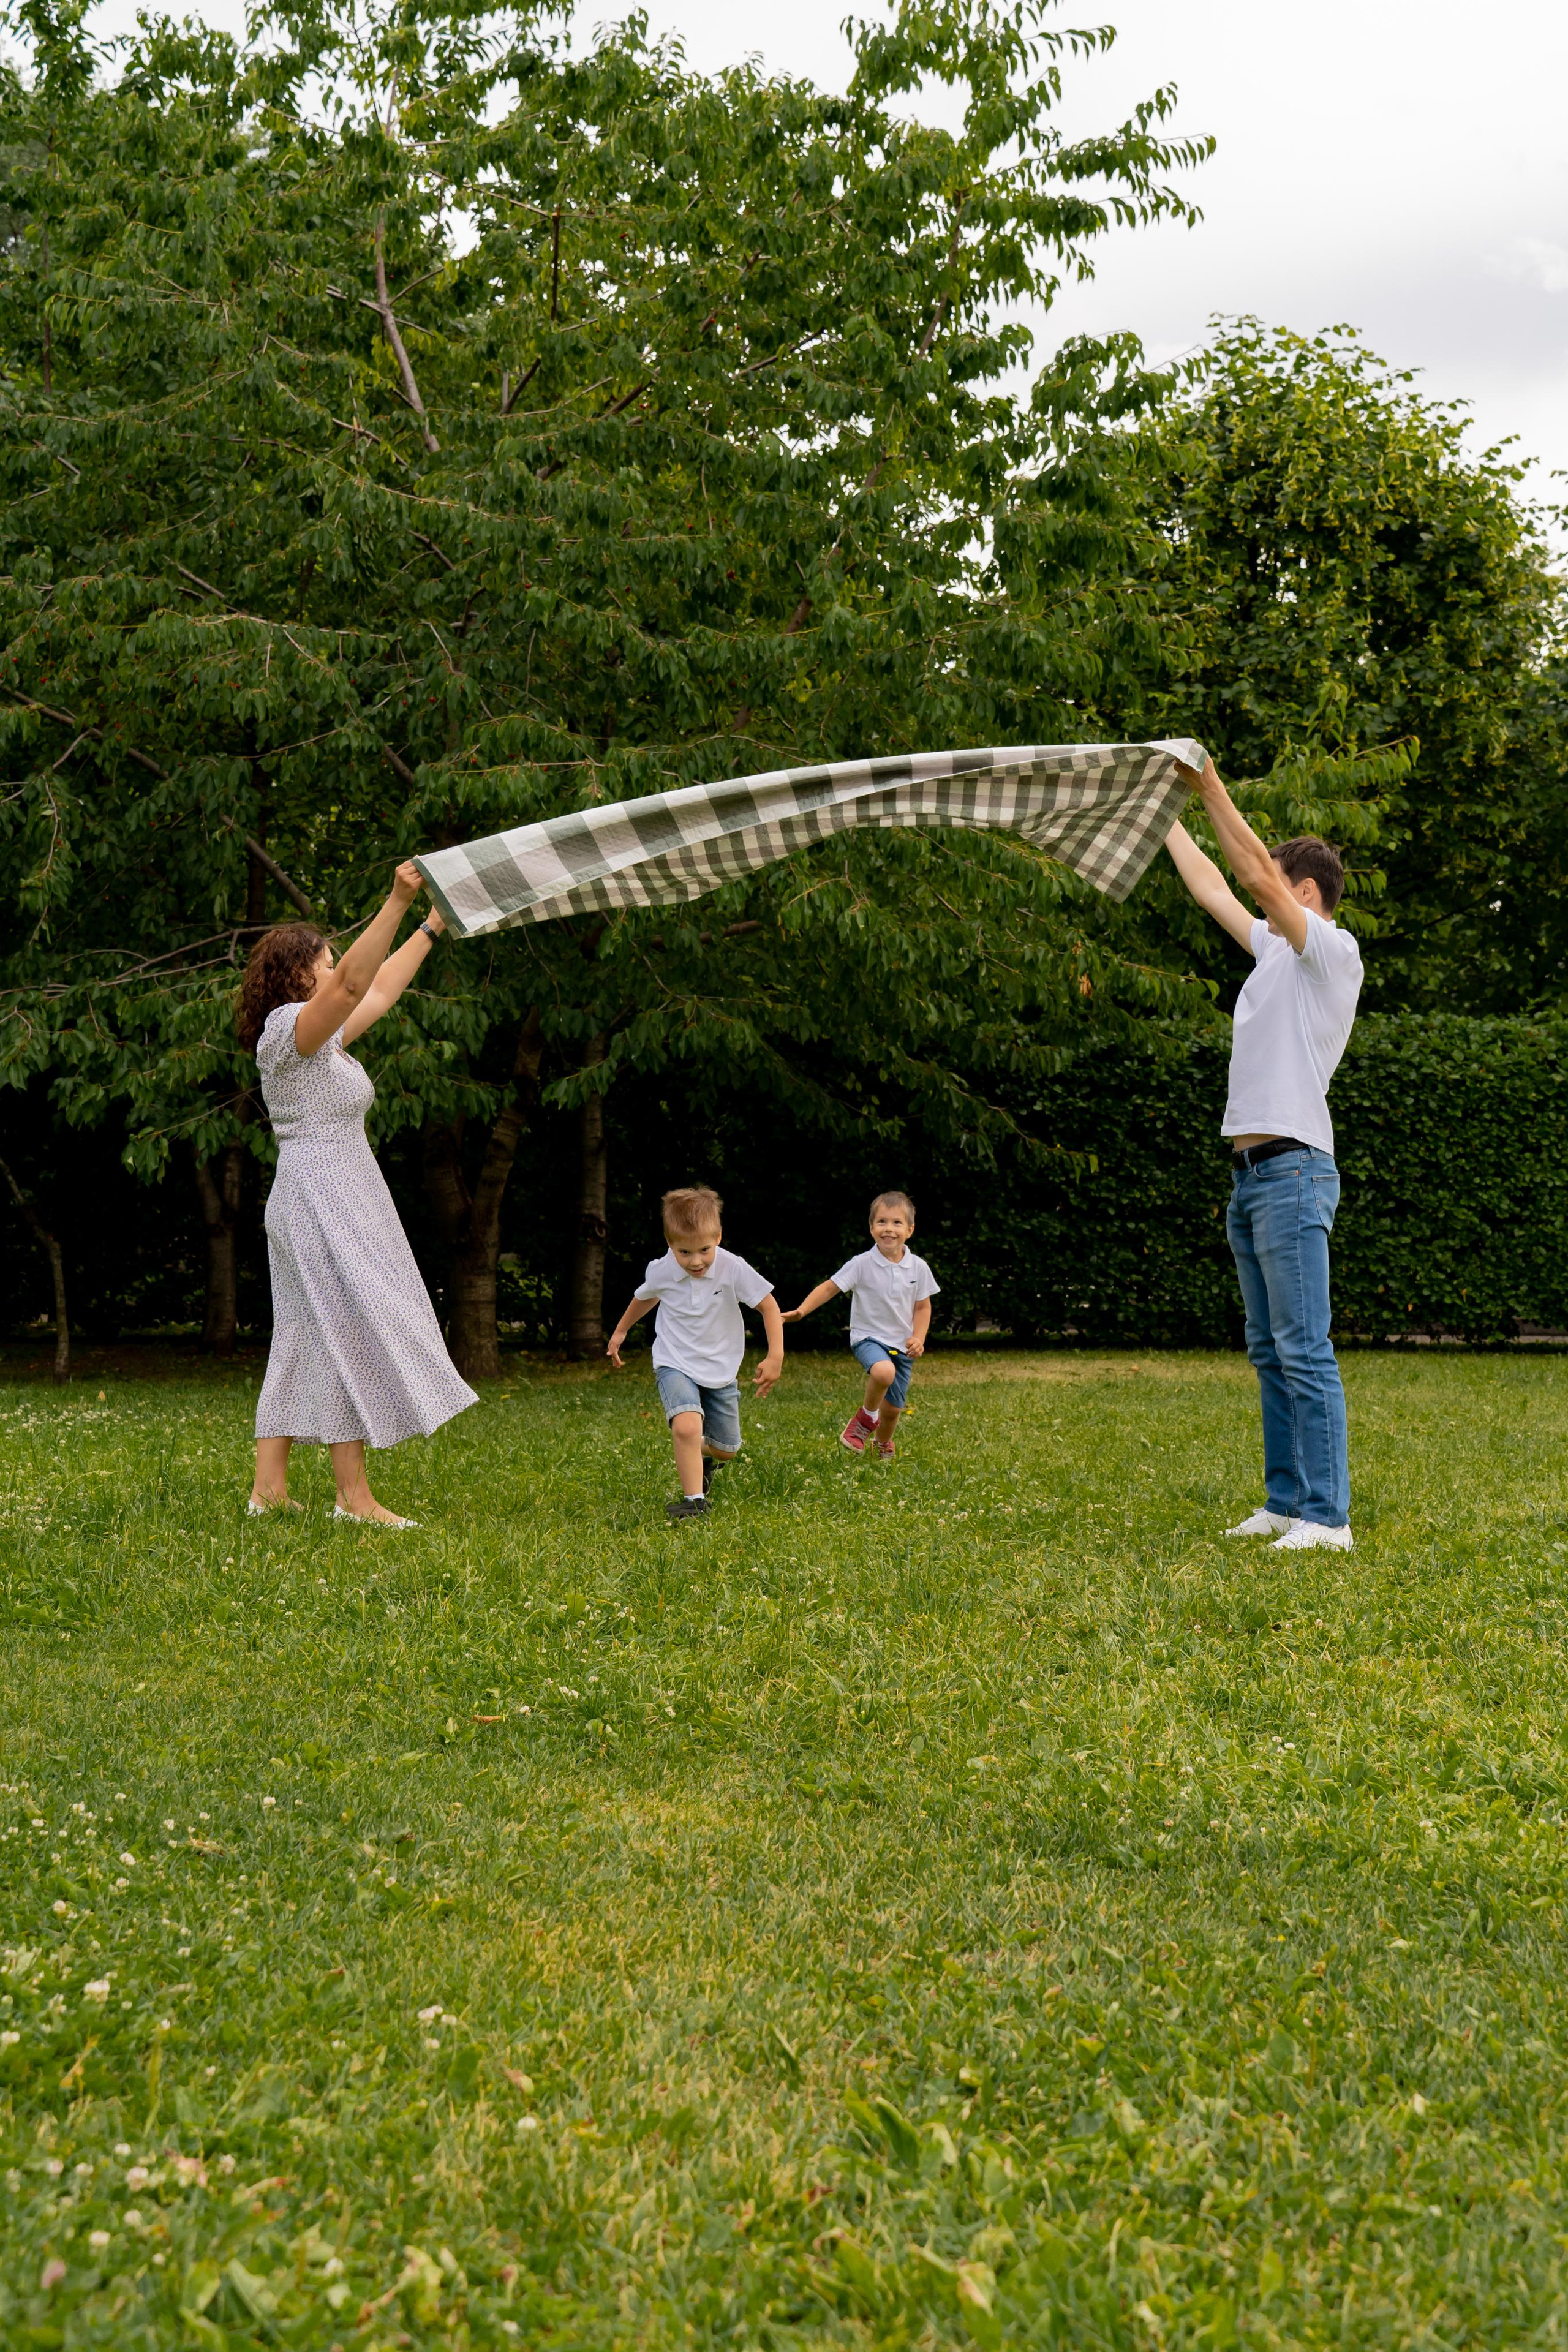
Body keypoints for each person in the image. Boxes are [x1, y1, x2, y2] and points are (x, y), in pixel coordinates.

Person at [237, 862, 477, 1525]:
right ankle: (354, 1497)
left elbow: (378, 992)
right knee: (344, 1329)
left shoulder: (322, 1044)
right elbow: (352, 986)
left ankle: (269, 1491)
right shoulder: (289, 1030)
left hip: (327, 1192)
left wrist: (430, 925)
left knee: (302, 1334)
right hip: (320, 1196)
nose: (339, 965)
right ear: (300, 972)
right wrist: (399, 898)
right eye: (327, 957)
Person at [1165, 757, 1363, 1550]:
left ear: (1303, 893)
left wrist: (1207, 782)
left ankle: (1328, 1518)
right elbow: (1216, 885)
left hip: (1294, 1170)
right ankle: (1287, 1503)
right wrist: (1163, 815)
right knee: (1270, 1350)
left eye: (1276, 884)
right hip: (1251, 1179)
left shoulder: (1331, 954)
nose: (1260, 891)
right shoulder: (1274, 955)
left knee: (1303, 1348)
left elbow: (1247, 871)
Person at [605, 1185, 784, 1521]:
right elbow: (647, 1296)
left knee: (726, 1450)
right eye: (684, 1252)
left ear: (718, 1236)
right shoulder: (662, 1269)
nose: (696, 1261)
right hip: (675, 1361)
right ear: (670, 1244)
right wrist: (621, 1330)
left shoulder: (734, 1268)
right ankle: (695, 1502)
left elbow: (769, 1307)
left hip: (721, 1366)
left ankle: (700, 1455)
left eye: (704, 1249)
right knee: (686, 1427)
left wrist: (775, 1356)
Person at [782, 1191, 940, 1460]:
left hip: (903, 1344)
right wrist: (802, 1310)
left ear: (910, 1230)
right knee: (883, 1373)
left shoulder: (918, 1267)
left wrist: (919, 1337)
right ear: (871, 1228)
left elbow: (923, 1307)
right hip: (869, 1338)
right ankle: (864, 1420)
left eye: (897, 1223)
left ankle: (883, 1444)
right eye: (882, 1222)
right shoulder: (862, 1264)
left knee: (893, 1409)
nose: (888, 1229)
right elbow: (830, 1288)